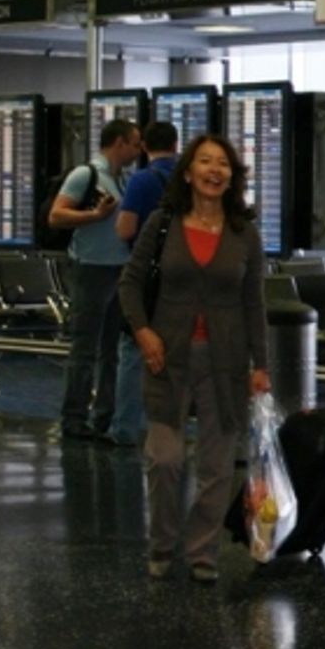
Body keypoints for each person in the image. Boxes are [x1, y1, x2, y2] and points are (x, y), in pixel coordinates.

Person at [117, 134, 269, 584]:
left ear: (232, 176)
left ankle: (202, 553)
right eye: (205, 161)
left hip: (225, 362)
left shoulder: (244, 233)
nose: (214, 169)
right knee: (164, 459)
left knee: (218, 466)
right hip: (168, 357)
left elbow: (253, 302)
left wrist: (261, 365)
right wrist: (143, 330)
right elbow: (129, 283)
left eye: (223, 163)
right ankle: (162, 546)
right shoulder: (163, 224)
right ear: (188, 172)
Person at [53, 118, 143, 440]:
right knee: (85, 348)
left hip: (119, 269)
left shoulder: (125, 178)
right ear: (118, 143)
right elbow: (57, 215)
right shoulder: (86, 175)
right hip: (90, 269)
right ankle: (73, 418)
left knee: (111, 350)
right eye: (134, 143)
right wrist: (94, 216)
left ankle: (104, 416)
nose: (137, 150)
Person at [105, 120, 180, 448]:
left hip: (149, 279)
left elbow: (124, 229)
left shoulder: (142, 180)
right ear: (177, 144)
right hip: (185, 275)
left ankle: (125, 428)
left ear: (146, 147)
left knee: (134, 350)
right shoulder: (188, 178)